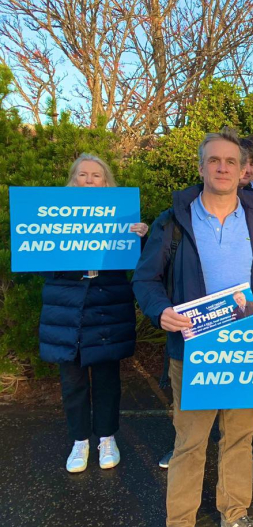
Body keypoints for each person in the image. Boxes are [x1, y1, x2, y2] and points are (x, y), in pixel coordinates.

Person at [133, 127, 253, 527]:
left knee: (238, 438)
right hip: (193, 349)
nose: (222, 167)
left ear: (244, 169)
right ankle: (180, 521)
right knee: (191, 443)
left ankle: (234, 514)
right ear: (201, 167)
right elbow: (145, 280)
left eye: (230, 161)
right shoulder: (173, 221)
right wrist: (159, 310)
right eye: (214, 160)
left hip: (247, 347)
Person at [39, 154, 148, 473]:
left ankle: (106, 437)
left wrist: (139, 237)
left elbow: (138, 264)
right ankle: (79, 441)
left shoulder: (122, 218)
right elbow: (38, 262)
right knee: (71, 380)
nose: (89, 180)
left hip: (106, 304)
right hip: (67, 308)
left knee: (106, 378)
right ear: (72, 181)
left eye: (96, 175)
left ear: (107, 181)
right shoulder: (52, 220)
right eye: (82, 175)